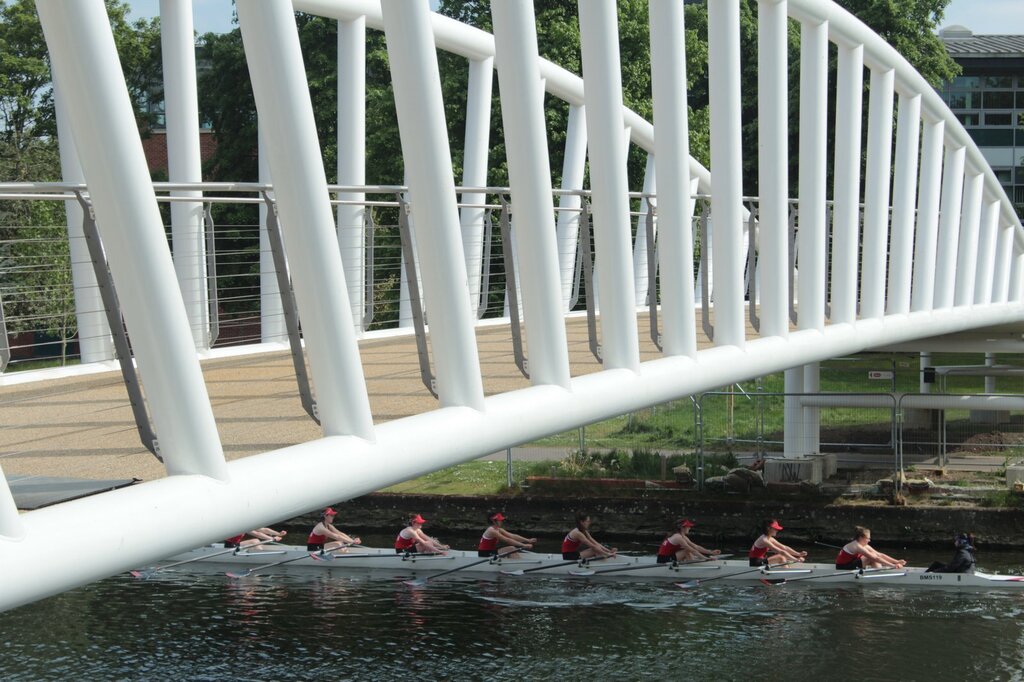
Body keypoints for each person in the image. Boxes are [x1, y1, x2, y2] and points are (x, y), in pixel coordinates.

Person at [834, 526, 906, 570]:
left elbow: (879, 554)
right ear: (861, 538)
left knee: (874, 556)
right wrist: (893, 566)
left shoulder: (863, 545)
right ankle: (879, 573)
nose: (869, 540)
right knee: (871, 557)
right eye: (868, 538)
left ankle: (879, 572)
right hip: (842, 567)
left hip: (850, 563)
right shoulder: (856, 546)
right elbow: (875, 558)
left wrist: (896, 561)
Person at [656, 519, 722, 564]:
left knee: (689, 551)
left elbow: (696, 546)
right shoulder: (678, 537)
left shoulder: (682, 536)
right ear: (682, 527)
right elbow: (692, 550)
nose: (690, 528)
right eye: (688, 526)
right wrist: (706, 558)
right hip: (663, 561)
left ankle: (693, 561)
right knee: (687, 550)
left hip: (670, 557)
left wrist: (711, 552)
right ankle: (694, 562)